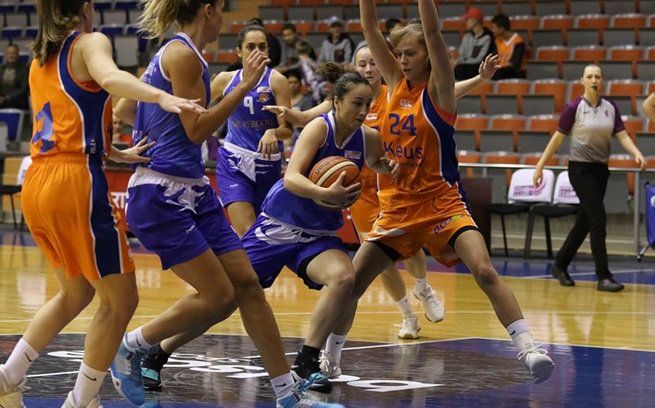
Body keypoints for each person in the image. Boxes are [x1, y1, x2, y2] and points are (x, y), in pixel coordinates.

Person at [110, 2, 341, 408]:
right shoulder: (183, 54)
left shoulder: (181, 54)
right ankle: (130, 346)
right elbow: (196, 130)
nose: (224, 17)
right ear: (208, 10)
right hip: (162, 193)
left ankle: (287, 395)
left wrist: (150, 133)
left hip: (194, 188)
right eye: (221, 9)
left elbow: (127, 108)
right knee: (218, 296)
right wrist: (243, 85)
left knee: (247, 285)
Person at [317, 0, 555, 385]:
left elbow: (432, 32)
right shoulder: (393, 83)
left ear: (428, 56)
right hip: (397, 208)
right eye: (398, 54)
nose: (401, 60)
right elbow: (369, 27)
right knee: (351, 285)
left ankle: (529, 349)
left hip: (442, 203)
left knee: (484, 270)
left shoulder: (440, 91)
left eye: (409, 54)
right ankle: (330, 358)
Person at [128, 65, 397, 395]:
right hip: (277, 227)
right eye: (357, 103)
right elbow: (292, 178)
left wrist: (388, 166)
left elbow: (376, 161)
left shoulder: (368, 138)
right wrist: (323, 193)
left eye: (368, 104)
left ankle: (308, 360)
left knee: (344, 278)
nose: (364, 111)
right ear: (337, 101)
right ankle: (159, 351)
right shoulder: (319, 128)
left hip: (318, 234)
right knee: (225, 299)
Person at [0, 1, 206, 407]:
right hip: (73, 181)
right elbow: (110, 77)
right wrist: (161, 97)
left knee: (75, 292)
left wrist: (114, 152)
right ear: (85, 7)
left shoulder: (39, 58)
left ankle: (9, 375)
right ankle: (81, 401)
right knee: (121, 299)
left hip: (38, 180)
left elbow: (64, 119)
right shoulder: (89, 42)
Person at [263, 47, 501, 342]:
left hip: (393, 183)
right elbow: (305, 118)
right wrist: (286, 116)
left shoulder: (396, 93)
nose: (368, 68)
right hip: (357, 189)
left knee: (411, 247)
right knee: (381, 260)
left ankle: (423, 288)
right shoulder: (346, 98)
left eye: (373, 62)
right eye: (362, 63)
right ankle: (407, 315)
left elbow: (445, 94)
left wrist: (480, 79)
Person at [533, 63, 645, 292]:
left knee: (585, 221)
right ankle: (603, 276)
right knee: (598, 219)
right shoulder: (574, 107)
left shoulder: (610, 107)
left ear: (602, 81)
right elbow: (557, 139)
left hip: (600, 170)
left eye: (597, 77)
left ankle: (560, 265)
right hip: (580, 170)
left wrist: (636, 152)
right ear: (582, 81)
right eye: (589, 76)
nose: (594, 80)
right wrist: (540, 165)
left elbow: (622, 135)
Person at [211, 24, 292, 237]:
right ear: (239, 52)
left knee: (263, 234)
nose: (257, 51)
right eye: (250, 47)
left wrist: (273, 132)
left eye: (262, 47)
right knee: (246, 230)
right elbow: (199, 111)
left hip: (267, 162)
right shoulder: (224, 80)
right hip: (234, 159)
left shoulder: (277, 80)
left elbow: (287, 130)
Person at [454, 7, 495, 80]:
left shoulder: (488, 37)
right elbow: (461, 54)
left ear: (475, 21)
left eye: (467, 19)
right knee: (459, 69)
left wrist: (464, 62)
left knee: (472, 70)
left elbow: (481, 58)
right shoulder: (467, 36)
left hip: (478, 66)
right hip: (465, 66)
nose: (466, 22)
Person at [490, 13, 526, 80]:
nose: (493, 30)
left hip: (514, 73)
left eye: (494, 28)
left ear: (501, 28)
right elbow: (494, 60)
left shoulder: (518, 42)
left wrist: (500, 67)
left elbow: (515, 64)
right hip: (499, 71)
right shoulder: (497, 41)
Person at [0, 44, 29, 109]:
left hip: (17, 100)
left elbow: (24, 89)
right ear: (6, 55)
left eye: (13, 53)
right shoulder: (1, 68)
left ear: (18, 55)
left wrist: (6, 98)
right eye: (9, 53)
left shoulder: (24, 69)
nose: (11, 56)